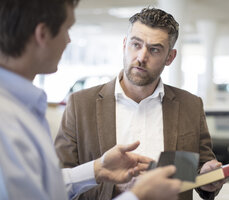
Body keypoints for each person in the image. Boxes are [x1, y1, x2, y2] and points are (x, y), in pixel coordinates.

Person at [0, 1, 181, 200]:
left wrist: (96, 169)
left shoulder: (23, 108)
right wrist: (138, 196)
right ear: (42, 34)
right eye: (67, 29)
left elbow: (43, 187)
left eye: (154, 49)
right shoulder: (7, 121)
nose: (69, 40)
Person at [55, 7, 225, 200]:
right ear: (125, 44)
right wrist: (120, 189)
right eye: (136, 45)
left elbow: (200, 172)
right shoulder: (81, 105)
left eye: (154, 49)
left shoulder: (190, 105)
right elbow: (57, 182)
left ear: (170, 57)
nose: (142, 57)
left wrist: (208, 176)